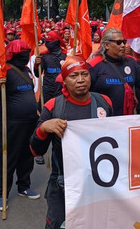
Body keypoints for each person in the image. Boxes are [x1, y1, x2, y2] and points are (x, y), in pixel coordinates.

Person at [29, 56, 113, 228]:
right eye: (74, 76)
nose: (81, 80)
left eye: (84, 74)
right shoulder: (54, 106)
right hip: (63, 184)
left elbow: (118, 137)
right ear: (64, 81)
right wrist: (43, 128)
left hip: (98, 182)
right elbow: (35, 150)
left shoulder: (104, 102)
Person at [0, 40, 41, 211]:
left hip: (30, 122)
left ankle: (23, 187)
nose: (25, 55)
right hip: (11, 124)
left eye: (27, 52)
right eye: (21, 53)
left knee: (27, 156)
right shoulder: (5, 71)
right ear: (13, 54)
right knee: (8, 159)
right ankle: (1, 194)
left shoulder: (26, 69)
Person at [88, 28, 140, 116]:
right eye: (118, 42)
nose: (123, 45)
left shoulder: (131, 61)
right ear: (106, 45)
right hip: (104, 121)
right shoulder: (94, 65)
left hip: (126, 119)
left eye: (124, 42)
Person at [34, 31, 67, 102]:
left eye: (49, 42)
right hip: (48, 89)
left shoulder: (66, 55)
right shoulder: (43, 55)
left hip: (62, 89)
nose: (47, 44)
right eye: (46, 42)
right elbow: (37, 74)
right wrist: (36, 64)